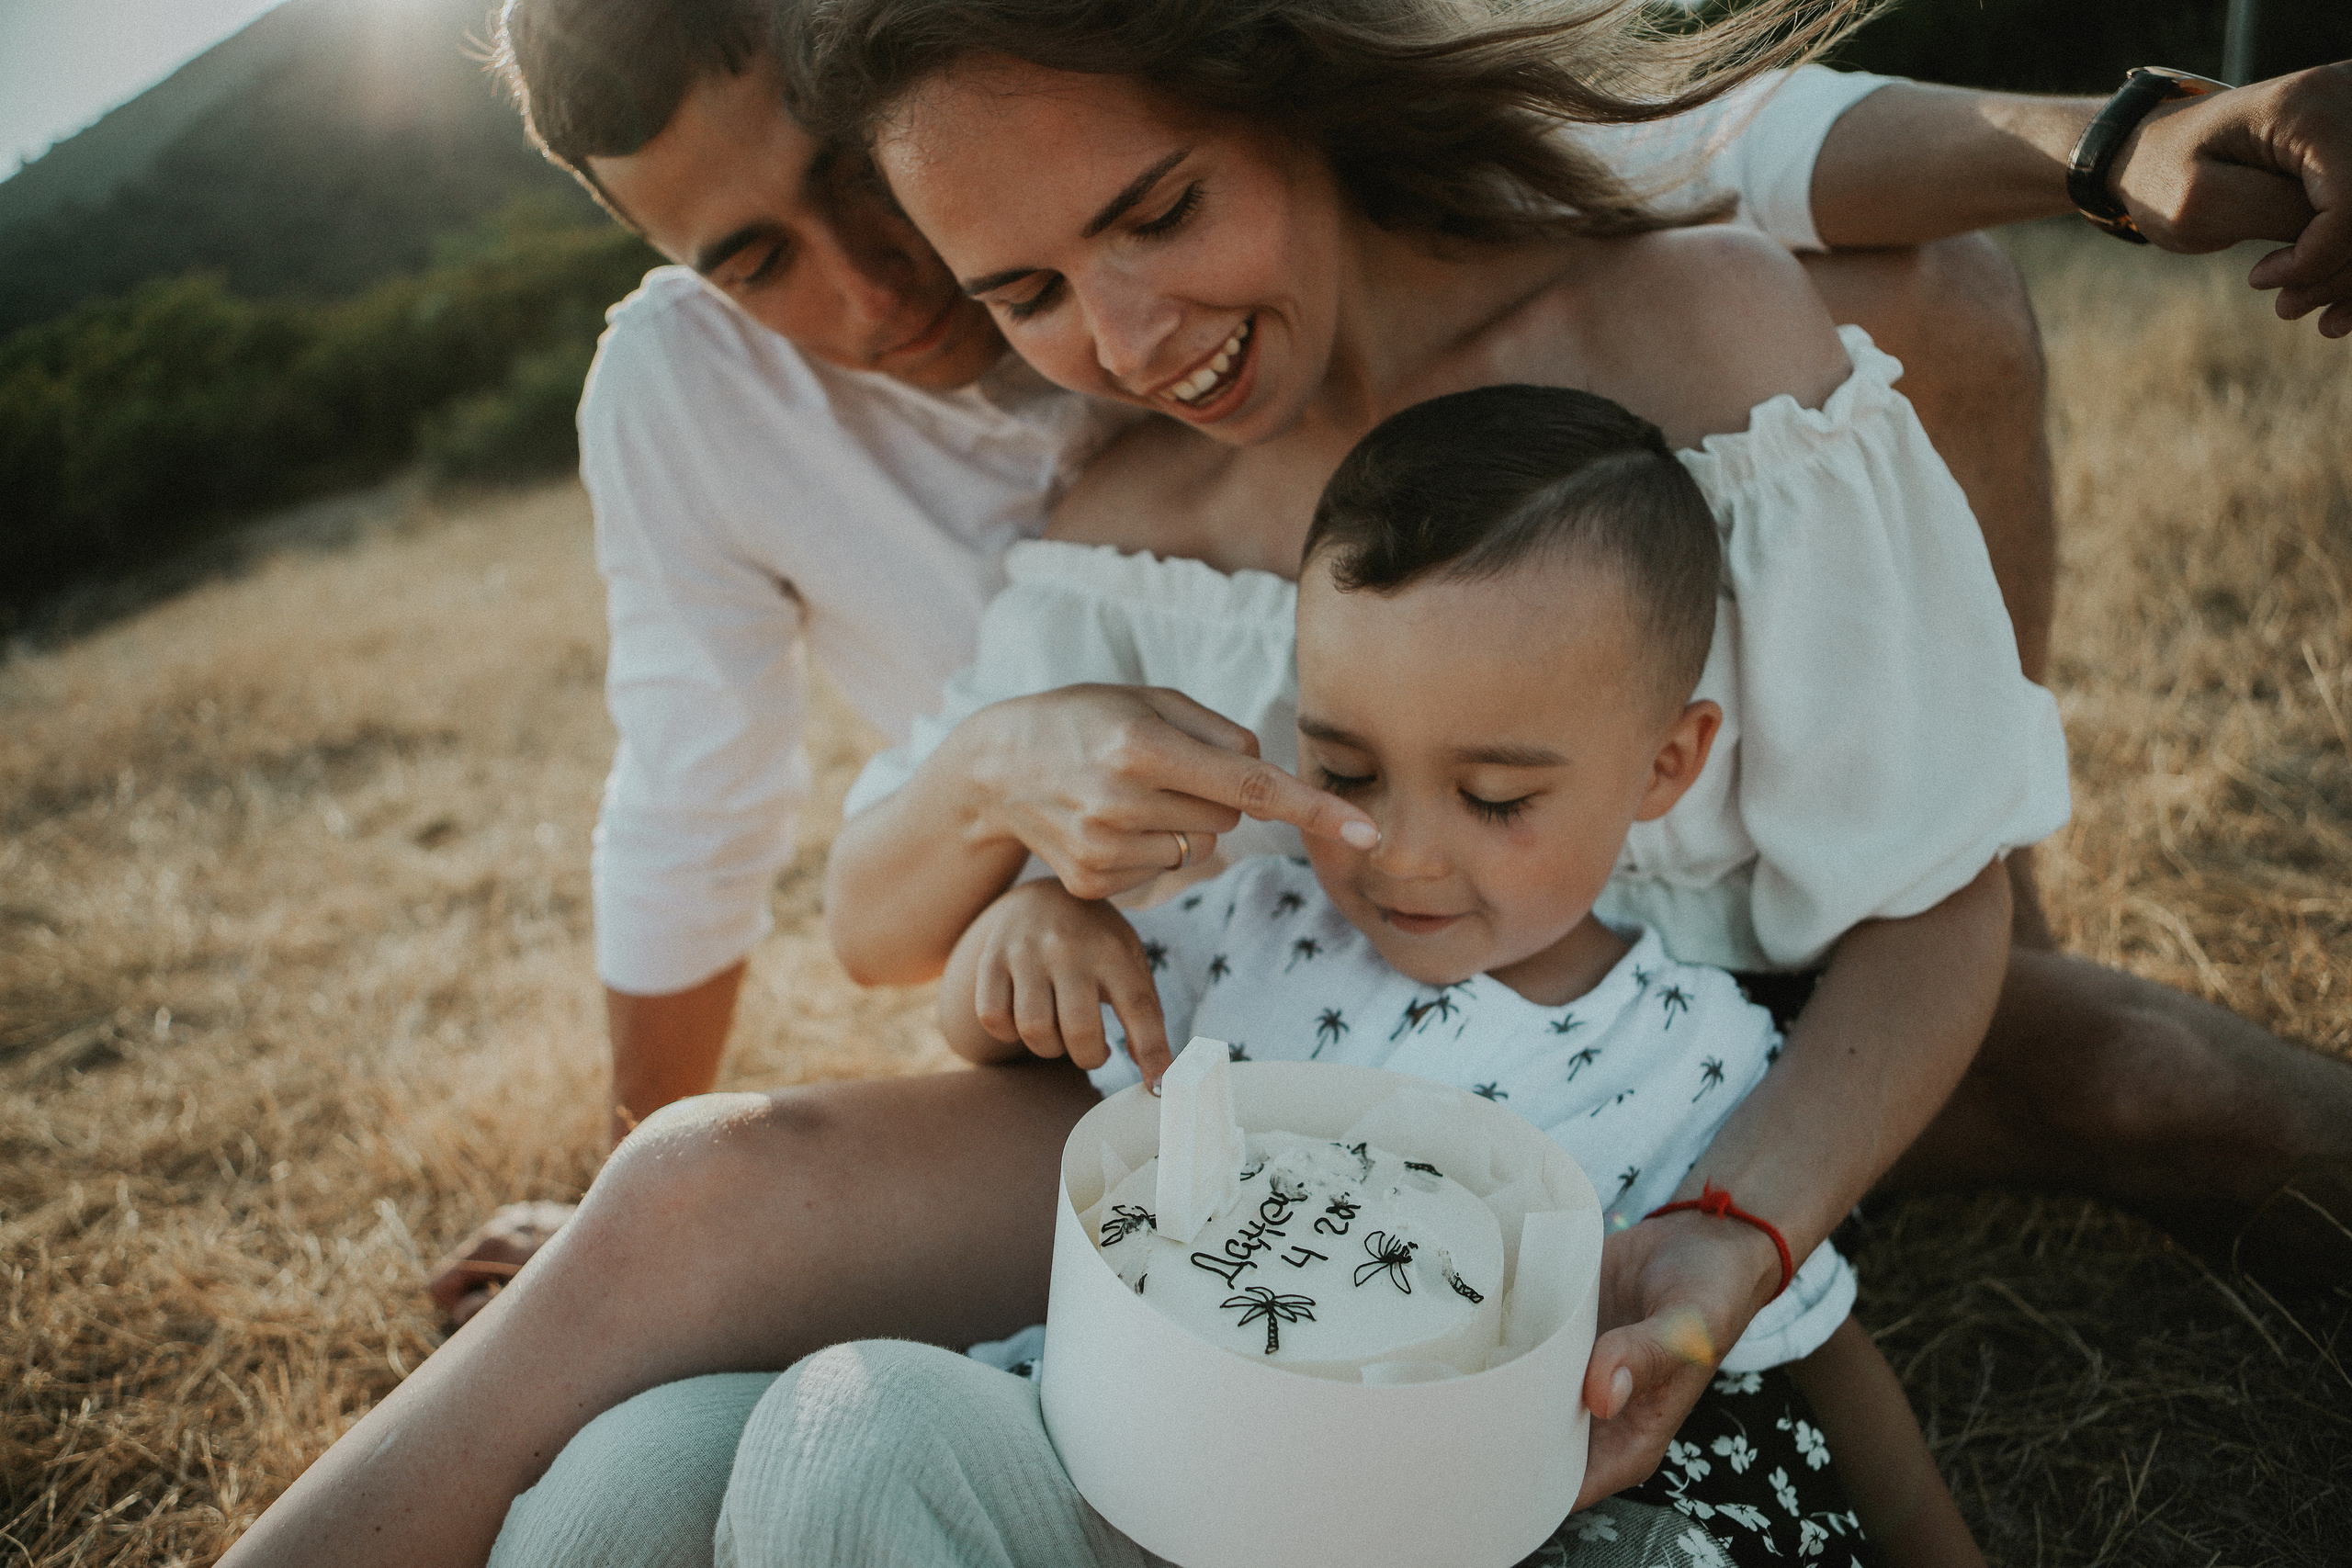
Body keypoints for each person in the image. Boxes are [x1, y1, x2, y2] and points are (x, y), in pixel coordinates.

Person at [222, 1, 2351, 1562]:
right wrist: (1019, 848)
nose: (1125, 332)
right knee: (690, 1192)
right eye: (1027, 290)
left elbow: (1715, 135)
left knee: (2161, 1077)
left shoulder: (1689, 335)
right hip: (1278, 1076)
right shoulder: (1107, 506)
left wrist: (1728, 1224)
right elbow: (842, 885)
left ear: (1278, 84)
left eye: (1154, 214)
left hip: (1701, 1046)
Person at [489, 382, 1987, 1568]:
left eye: (1496, 799)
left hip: (1339, 1525)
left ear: (1666, 766)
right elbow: (1003, 1040)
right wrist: (1029, 934)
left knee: (856, 1434)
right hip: (1082, 1436)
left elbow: (1819, 1348)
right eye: (1343, 767)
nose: (1399, 851)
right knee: (626, 1479)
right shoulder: (1249, 919)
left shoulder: (1691, 1057)